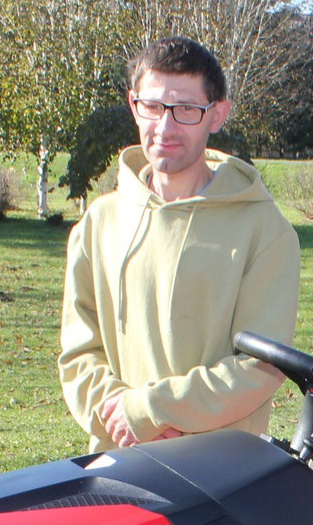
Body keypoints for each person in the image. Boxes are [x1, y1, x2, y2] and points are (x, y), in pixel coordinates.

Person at [58, 36, 299, 452]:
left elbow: (262, 368)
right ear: (134, 106)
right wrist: (124, 415)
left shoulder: (265, 230)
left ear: (217, 114)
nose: (165, 127)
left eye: (186, 110)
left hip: (219, 473)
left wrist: (152, 412)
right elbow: (80, 355)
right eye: (152, 107)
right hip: (119, 465)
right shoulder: (99, 222)